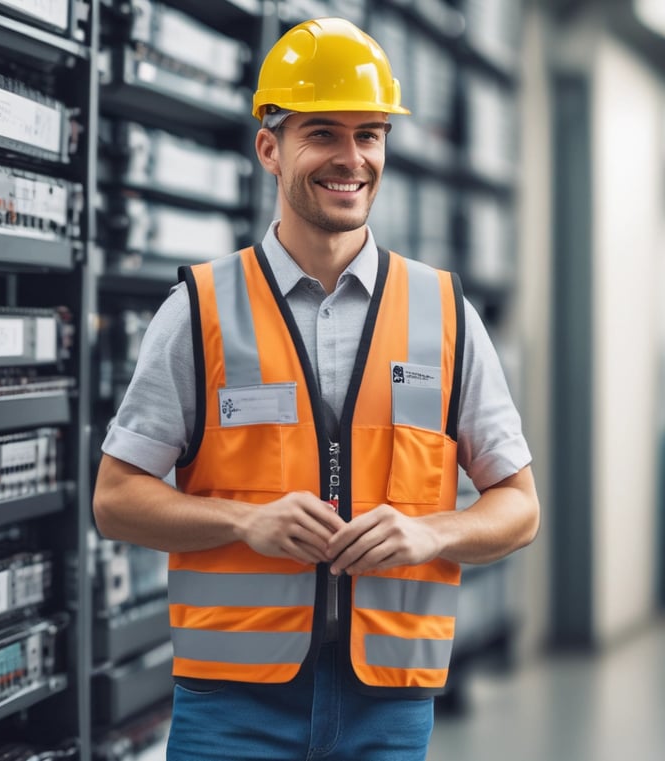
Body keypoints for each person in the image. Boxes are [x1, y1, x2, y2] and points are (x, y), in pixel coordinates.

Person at [93, 16, 540, 761]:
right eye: (323, 133)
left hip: (388, 709)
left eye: (369, 133)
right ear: (270, 148)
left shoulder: (445, 315)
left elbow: (519, 506)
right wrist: (242, 524)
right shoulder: (201, 309)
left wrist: (434, 531)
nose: (351, 158)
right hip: (231, 707)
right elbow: (115, 498)